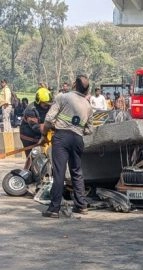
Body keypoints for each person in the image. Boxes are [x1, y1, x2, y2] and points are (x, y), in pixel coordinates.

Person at [42, 75, 94, 218]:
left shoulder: (63, 97)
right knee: (77, 172)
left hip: (61, 138)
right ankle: (81, 206)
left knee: (59, 172)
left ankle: (54, 209)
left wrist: (44, 134)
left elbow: (48, 119)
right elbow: (89, 130)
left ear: (74, 85)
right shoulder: (88, 105)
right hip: (77, 140)